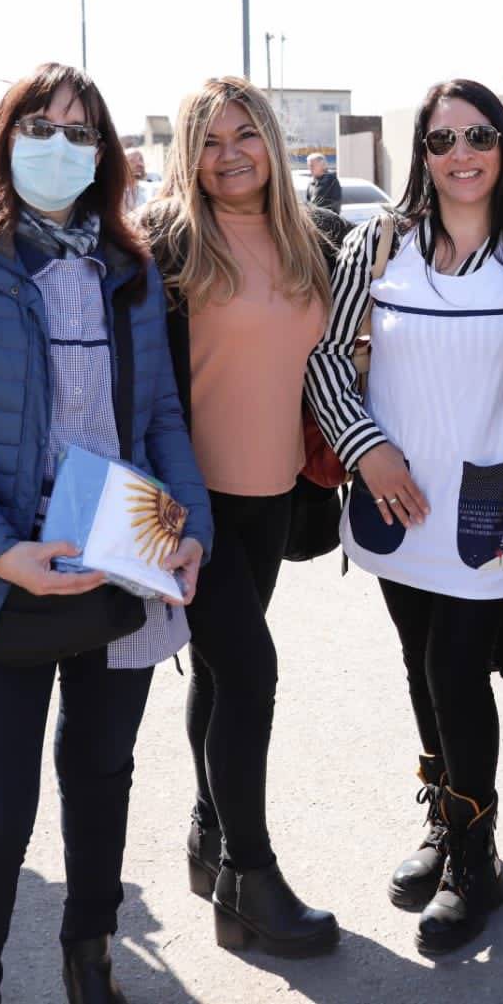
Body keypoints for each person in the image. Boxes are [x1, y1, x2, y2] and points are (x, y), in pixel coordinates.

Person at [0, 62, 212, 1004]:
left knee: (101, 774)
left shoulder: (131, 266)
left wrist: (186, 527)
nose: (61, 147)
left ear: (106, 156)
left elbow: (158, 417)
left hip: (121, 552)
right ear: (3, 138)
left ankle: (90, 955)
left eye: (82, 133)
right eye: (43, 126)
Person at [307, 78, 503, 955]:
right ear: (421, 153)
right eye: (441, 140)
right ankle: (447, 818)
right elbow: (329, 361)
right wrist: (368, 447)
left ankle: (477, 858)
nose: (461, 154)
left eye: (479, 135)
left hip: (495, 506)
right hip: (396, 501)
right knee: (418, 667)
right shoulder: (379, 245)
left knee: (457, 670)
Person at [138, 76, 345, 959]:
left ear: (270, 141)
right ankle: (248, 879)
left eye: (245, 135)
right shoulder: (164, 246)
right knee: (249, 672)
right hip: (191, 506)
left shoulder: (309, 243)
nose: (229, 154)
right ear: (188, 155)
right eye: (210, 140)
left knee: (219, 675)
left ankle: (206, 835)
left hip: (273, 497)